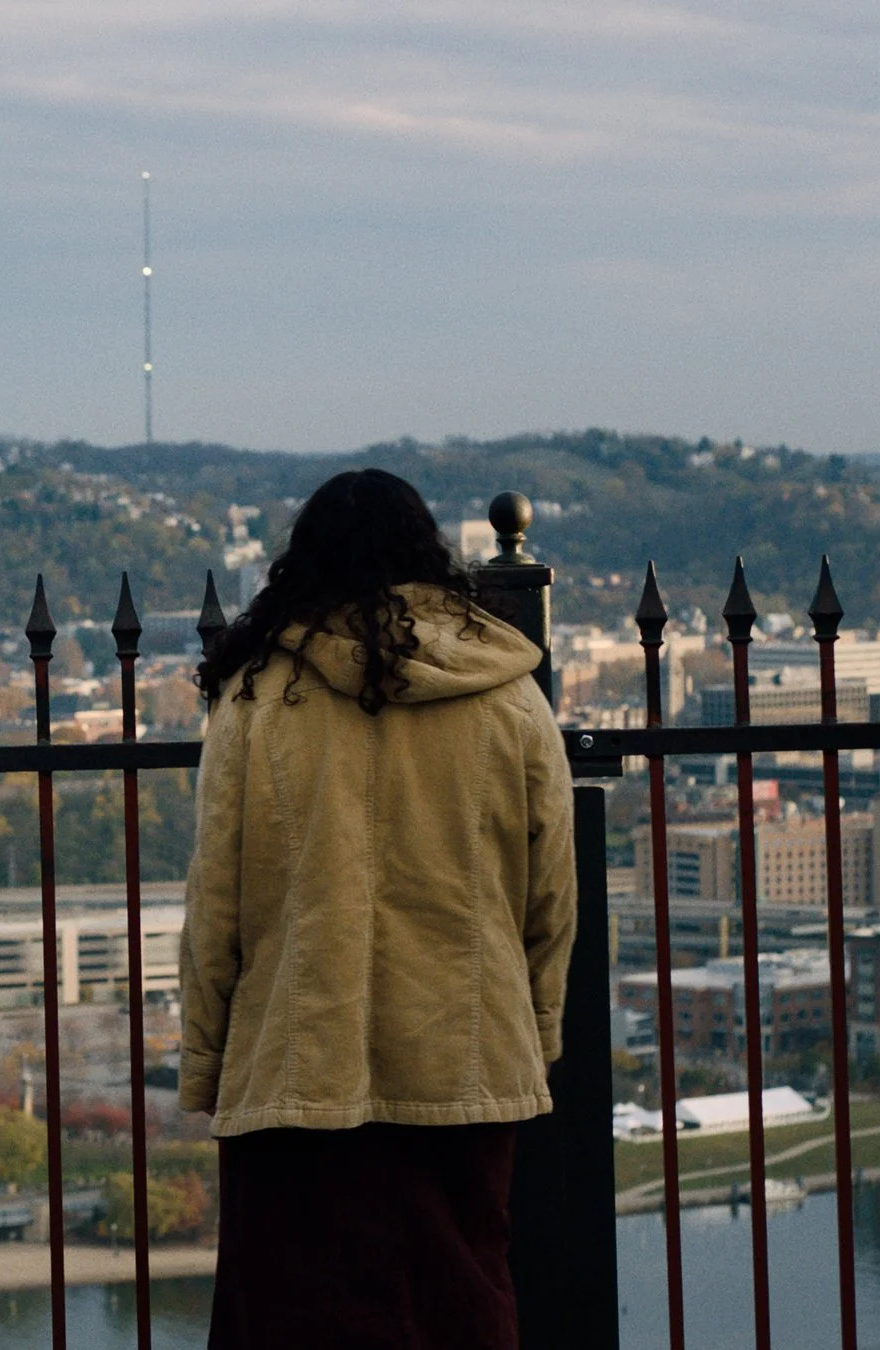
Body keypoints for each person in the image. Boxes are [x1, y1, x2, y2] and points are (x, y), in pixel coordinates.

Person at [179, 468, 575, 1350]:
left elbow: (217, 909)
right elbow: (550, 897)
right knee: (460, 1303)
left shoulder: (253, 701)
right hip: (466, 1059)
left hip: (293, 1066)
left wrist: (207, 1064)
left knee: (293, 1312)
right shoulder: (510, 696)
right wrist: (533, 1034)